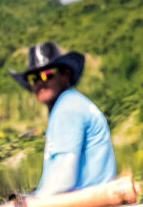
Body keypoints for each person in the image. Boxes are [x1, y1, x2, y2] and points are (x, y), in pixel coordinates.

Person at [12, 42, 117, 195]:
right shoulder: (72, 102)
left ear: (65, 74)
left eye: (47, 74)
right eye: (34, 78)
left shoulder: (67, 109)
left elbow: (64, 179)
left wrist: (32, 201)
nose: (40, 82)